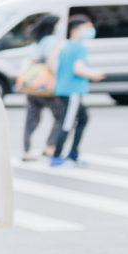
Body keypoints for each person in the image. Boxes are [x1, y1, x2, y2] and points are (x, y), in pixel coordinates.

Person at [48, 14, 104, 167]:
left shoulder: (63, 46)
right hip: (72, 91)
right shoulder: (79, 48)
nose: (90, 31)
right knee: (67, 123)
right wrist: (94, 74)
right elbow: (78, 69)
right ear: (75, 30)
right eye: (87, 27)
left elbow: (52, 64)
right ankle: (57, 156)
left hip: (64, 88)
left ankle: (73, 153)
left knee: (83, 119)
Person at [20, 15, 63, 161]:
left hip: (32, 84)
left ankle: (26, 151)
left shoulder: (37, 41)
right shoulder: (51, 40)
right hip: (46, 86)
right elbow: (52, 61)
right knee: (60, 116)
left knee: (31, 118)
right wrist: (58, 80)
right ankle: (49, 147)